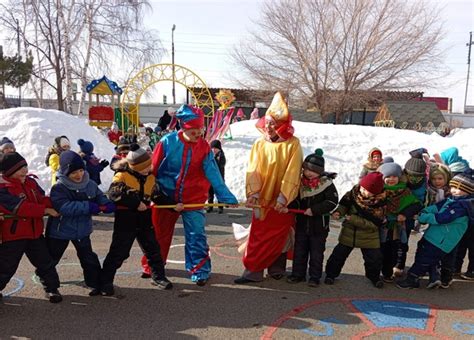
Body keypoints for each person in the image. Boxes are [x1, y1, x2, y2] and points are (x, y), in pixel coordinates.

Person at [147, 104, 238, 286]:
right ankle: (153, 266)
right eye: (194, 130)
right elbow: (153, 170)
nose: (198, 133)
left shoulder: (204, 147)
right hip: (165, 197)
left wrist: (225, 196)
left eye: (200, 129)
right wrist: (149, 193)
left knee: (196, 235)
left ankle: (200, 269)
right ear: (183, 126)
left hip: (193, 198)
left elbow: (213, 172)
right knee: (159, 233)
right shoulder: (166, 143)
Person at [234, 92, 303, 284]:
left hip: (281, 202)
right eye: (268, 122)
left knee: (280, 236)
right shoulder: (260, 143)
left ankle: (276, 269)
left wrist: (283, 198)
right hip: (261, 200)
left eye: (274, 124)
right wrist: (254, 193)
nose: (269, 127)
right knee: (259, 235)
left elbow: (292, 172)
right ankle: (253, 271)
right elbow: (253, 169)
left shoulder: (293, 144)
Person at [101, 144, 174, 295]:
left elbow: (157, 196)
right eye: (144, 167)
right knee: (119, 252)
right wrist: (135, 203)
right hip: (126, 220)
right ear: (134, 166)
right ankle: (105, 281)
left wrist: (173, 205)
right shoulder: (121, 176)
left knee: (153, 249)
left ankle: (158, 276)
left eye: (149, 166)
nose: (148, 169)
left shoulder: (150, 178)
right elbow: (113, 195)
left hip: (144, 220)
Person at [46, 150, 114, 296]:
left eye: (81, 170)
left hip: (82, 230)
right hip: (60, 231)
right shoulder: (59, 187)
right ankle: (50, 287)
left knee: (88, 257)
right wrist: (88, 206)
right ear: (65, 172)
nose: (79, 175)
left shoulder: (89, 184)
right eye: (74, 172)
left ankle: (94, 283)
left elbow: (99, 196)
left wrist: (106, 204)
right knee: (51, 259)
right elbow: (63, 207)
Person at [0, 152, 63, 303]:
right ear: (8, 172)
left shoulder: (30, 182)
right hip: (14, 235)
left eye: (25, 166)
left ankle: (52, 288)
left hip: (34, 233)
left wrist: (57, 203)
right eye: (19, 169)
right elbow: (20, 208)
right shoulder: (3, 187)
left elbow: (41, 198)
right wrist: (45, 210)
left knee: (45, 262)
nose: (24, 171)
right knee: (6, 267)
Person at [396, 170, 474, 289]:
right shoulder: (452, 200)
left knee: (424, 258)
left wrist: (423, 216)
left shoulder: (462, 207)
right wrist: (428, 210)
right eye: (453, 187)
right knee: (429, 255)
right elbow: (438, 206)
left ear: (467, 191)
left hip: (441, 240)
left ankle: (412, 278)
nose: (453, 190)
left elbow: (442, 218)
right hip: (435, 236)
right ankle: (442, 278)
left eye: (458, 188)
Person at [284, 149, 338, 286]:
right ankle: (298, 274)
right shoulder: (300, 183)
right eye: (306, 169)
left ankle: (314, 277)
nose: (308, 173)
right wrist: (290, 207)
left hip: (319, 226)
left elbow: (331, 202)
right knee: (299, 251)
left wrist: (314, 210)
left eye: (312, 170)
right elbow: (296, 199)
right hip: (302, 224)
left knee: (316, 254)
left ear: (319, 171)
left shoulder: (327, 184)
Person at [325, 172, 386, 288]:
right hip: (349, 233)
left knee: (374, 260)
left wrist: (353, 219)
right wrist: (339, 212)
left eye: (368, 191)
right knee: (338, 256)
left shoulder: (380, 203)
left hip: (369, 237)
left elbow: (374, 224)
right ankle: (330, 275)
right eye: (363, 188)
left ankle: (375, 278)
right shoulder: (353, 194)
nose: (364, 192)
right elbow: (343, 205)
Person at [377, 162, 422, 282]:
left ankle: (389, 271)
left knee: (395, 249)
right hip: (381, 226)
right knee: (379, 249)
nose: (391, 179)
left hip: (398, 227)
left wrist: (404, 214)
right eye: (388, 176)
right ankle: (378, 271)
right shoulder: (378, 191)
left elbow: (416, 205)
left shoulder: (405, 191)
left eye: (394, 176)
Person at [207, 139, 226, 214]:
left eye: (216, 148)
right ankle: (210, 206)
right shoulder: (209, 156)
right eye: (212, 148)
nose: (214, 150)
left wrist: (215, 159)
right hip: (211, 179)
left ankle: (220, 207)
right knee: (210, 193)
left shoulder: (221, 156)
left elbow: (221, 164)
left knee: (219, 193)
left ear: (219, 148)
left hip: (219, 179)